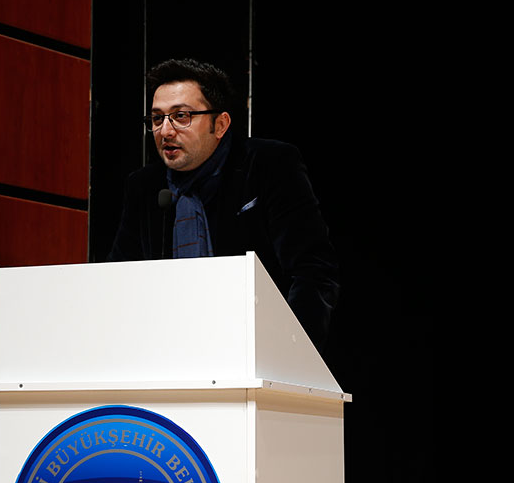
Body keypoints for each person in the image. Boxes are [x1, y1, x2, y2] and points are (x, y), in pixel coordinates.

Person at [107, 58, 340, 351]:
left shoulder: (268, 165)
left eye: (181, 116)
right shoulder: (144, 186)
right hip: (169, 349)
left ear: (220, 124)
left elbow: (312, 271)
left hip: (260, 347)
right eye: (157, 119)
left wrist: (289, 352)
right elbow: (117, 281)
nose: (165, 131)